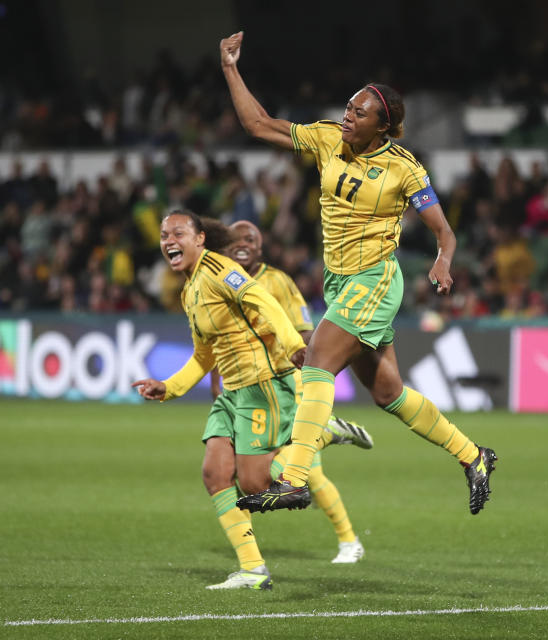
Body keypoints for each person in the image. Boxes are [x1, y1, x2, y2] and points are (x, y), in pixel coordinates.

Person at [218, 31, 497, 516]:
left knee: (317, 362)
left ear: (382, 126)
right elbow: (258, 124)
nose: (347, 116)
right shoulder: (328, 138)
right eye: (348, 108)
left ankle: (294, 478)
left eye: (358, 113)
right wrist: (229, 68)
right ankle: (474, 456)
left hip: (375, 280)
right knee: (388, 392)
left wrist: (442, 260)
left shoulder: (403, 168)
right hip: (341, 283)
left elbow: (444, 232)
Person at [131, 212, 357, 592]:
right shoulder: (189, 290)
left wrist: (291, 345)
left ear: (200, 238)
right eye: (164, 234)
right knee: (214, 474)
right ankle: (253, 569)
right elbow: (205, 354)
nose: (169, 239)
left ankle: (320, 432)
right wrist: (168, 388)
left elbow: (264, 301)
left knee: (254, 485)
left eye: (179, 232)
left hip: (261, 385)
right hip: (230, 395)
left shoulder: (221, 269)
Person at [215, 219, 374, 563]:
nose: (242, 242)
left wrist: (302, 380)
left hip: (286, 383)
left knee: (307, 472)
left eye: (251, 238)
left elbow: (304, 333)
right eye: (235, 239)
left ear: (260, 248)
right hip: (248, 393)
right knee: (253, 477)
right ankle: (327, 433)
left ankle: (349, 542)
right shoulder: (220, 284)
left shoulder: (278, 282)